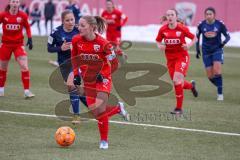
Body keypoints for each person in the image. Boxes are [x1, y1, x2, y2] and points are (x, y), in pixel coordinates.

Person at [71, 15, 129, 149]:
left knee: (101, 109)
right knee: (96, 113)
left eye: (82, 25)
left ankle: (104, 141)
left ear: (92, 27)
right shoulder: (76, 40)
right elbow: (74, 58)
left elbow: (114, 64)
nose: (79, 28)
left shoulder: (104, 44)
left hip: (103, 79)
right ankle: (117, 108)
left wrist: (102, 75)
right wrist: (76, 74)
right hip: (88, 79)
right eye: (79, 25)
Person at [47, 10, 87, 124]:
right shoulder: (56, 32)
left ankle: (76, 116)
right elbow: (49, 48)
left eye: (72, 19)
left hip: (78, 62)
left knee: (71, 85)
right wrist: (61, 48)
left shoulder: (79, 30)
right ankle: (99, 107)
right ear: (62, 21)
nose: (70, 22)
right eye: (67, 20)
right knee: (78, 91)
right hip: (64, 65)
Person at [156, 9, 198, 114]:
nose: (170, 16)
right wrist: (160, 45)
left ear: (176, 16)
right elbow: (157, 40)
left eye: (172, 14)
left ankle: (178, 109)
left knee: (176, 80)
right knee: (179, 83)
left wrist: (188, 45)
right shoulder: (163, 30)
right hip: (170, 60)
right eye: (168, 15)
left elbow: (195, 38)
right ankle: (192, 86)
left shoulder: (182, 28)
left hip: (182, 57)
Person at [0, 0, 34, 98]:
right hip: (5, 45)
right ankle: (1, 90)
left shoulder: (23, 15)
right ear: (10, 3)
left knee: (24, 66)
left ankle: (27, 91)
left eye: (17, 2)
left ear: (19, 4)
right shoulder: (3, 15)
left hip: (18, 45)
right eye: (13, 1)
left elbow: (27, 27)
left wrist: (30, 38)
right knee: (3, 68)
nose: (15, 3)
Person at [196, 7, 230, 101]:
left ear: (214, 15)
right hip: (206, 51)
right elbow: (197, 37)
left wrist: (223, 43)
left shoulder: (220, 24)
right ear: (205, 15)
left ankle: (220, 94)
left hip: (217, 50)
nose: (208, 16)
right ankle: (220, 85)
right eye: (206, 14)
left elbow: (228, 36)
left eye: (210, 14)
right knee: (210, 76)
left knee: (217, 71)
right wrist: (197, 50)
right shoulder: (201, 25)